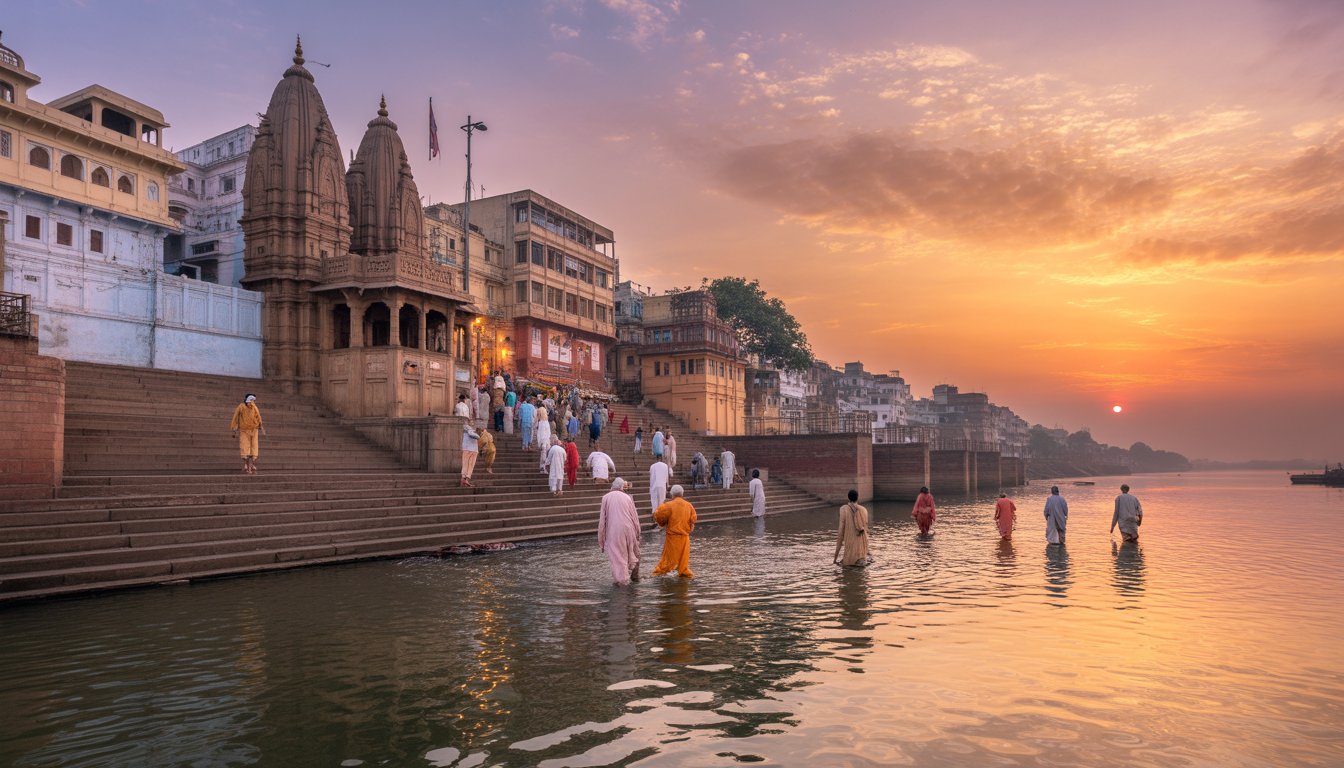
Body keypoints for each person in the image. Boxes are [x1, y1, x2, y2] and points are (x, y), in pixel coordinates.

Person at [598, 478, 642, 585]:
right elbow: (635, 518)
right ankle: (635, 577)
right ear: (622, 487)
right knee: (634, 553)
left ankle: (622, 583)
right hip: (629, 529)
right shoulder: (627, 497)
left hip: (614, 531)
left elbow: (602, 521)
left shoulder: (606, 498)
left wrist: (601, 541)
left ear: (612, 487)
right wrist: (637, 533)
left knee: (618, 557)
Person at [651, 485, 697, 578]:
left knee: (665, 564)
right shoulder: (689, 505)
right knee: (683, 565)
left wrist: (662, 523)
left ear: (672, 494)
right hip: (685, 539)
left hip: (672, 538)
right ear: (682, 494)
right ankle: (683, 575)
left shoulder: (668, 505)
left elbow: (658, 515)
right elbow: (693, 520)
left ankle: (657, 576)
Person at [229, 393, 266, 475]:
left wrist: (261, 426)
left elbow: (258, 416)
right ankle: (246, 465)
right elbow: (236, 417)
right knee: (244, 447)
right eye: (251, 400)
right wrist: (234, 429)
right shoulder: (241, 407)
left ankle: (252, 465)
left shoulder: (254, 407)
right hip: (244, 430)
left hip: (254, 430)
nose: (252, 402)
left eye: (253, 401)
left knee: (254, 447)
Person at [833, 489, 870, 566]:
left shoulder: (843, 509)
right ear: (857, 497)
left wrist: (835, 558)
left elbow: (841, 532)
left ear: (848, 498)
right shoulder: (864, 510)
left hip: (849, 557)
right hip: (862, 555)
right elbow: (865, 532)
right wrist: (868, 552)